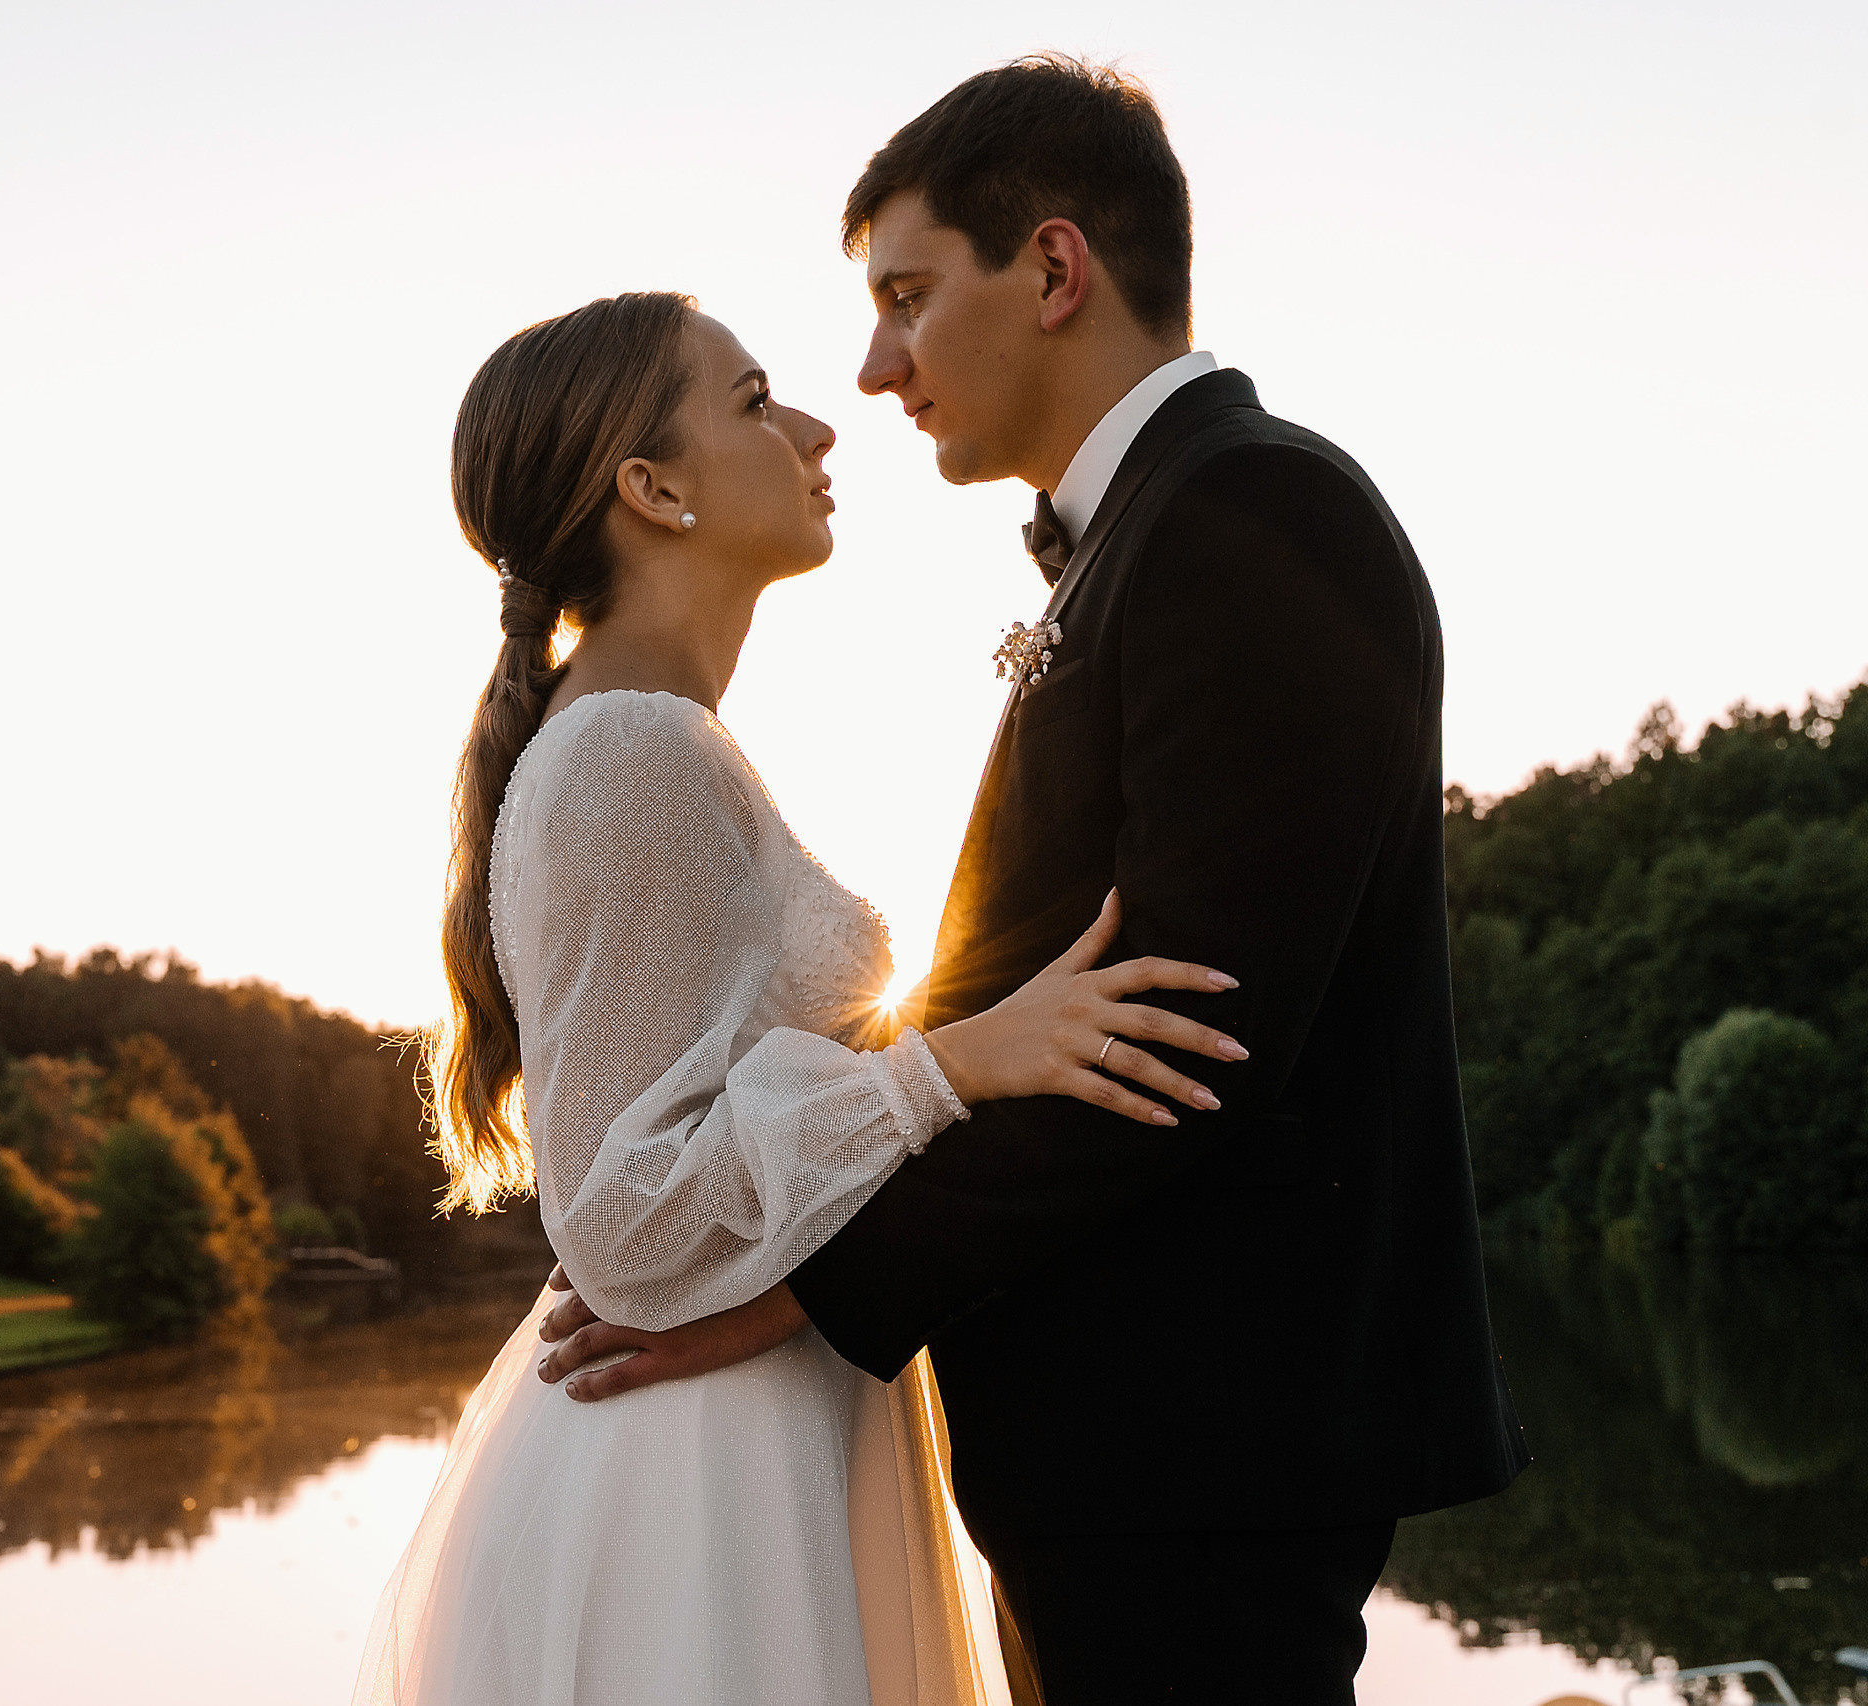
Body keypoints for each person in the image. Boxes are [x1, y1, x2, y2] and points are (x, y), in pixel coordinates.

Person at [531, 58, 1529, 1705]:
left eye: (908, 296)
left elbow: (1182, 1034)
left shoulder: (1253, 512)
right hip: (1117, 1449)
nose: (876, 365)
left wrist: (807, 1290)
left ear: (1055, 270)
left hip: (1203, 1446)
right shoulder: (1159, 527)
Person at [354, 290, 1247, 1706]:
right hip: (692, 1482)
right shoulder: (631, 750)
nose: (823, 423)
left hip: (734, 1430)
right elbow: (624, 1219)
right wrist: (947, 1069)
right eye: (756, 398)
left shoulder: (655, 740)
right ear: (652, 488)